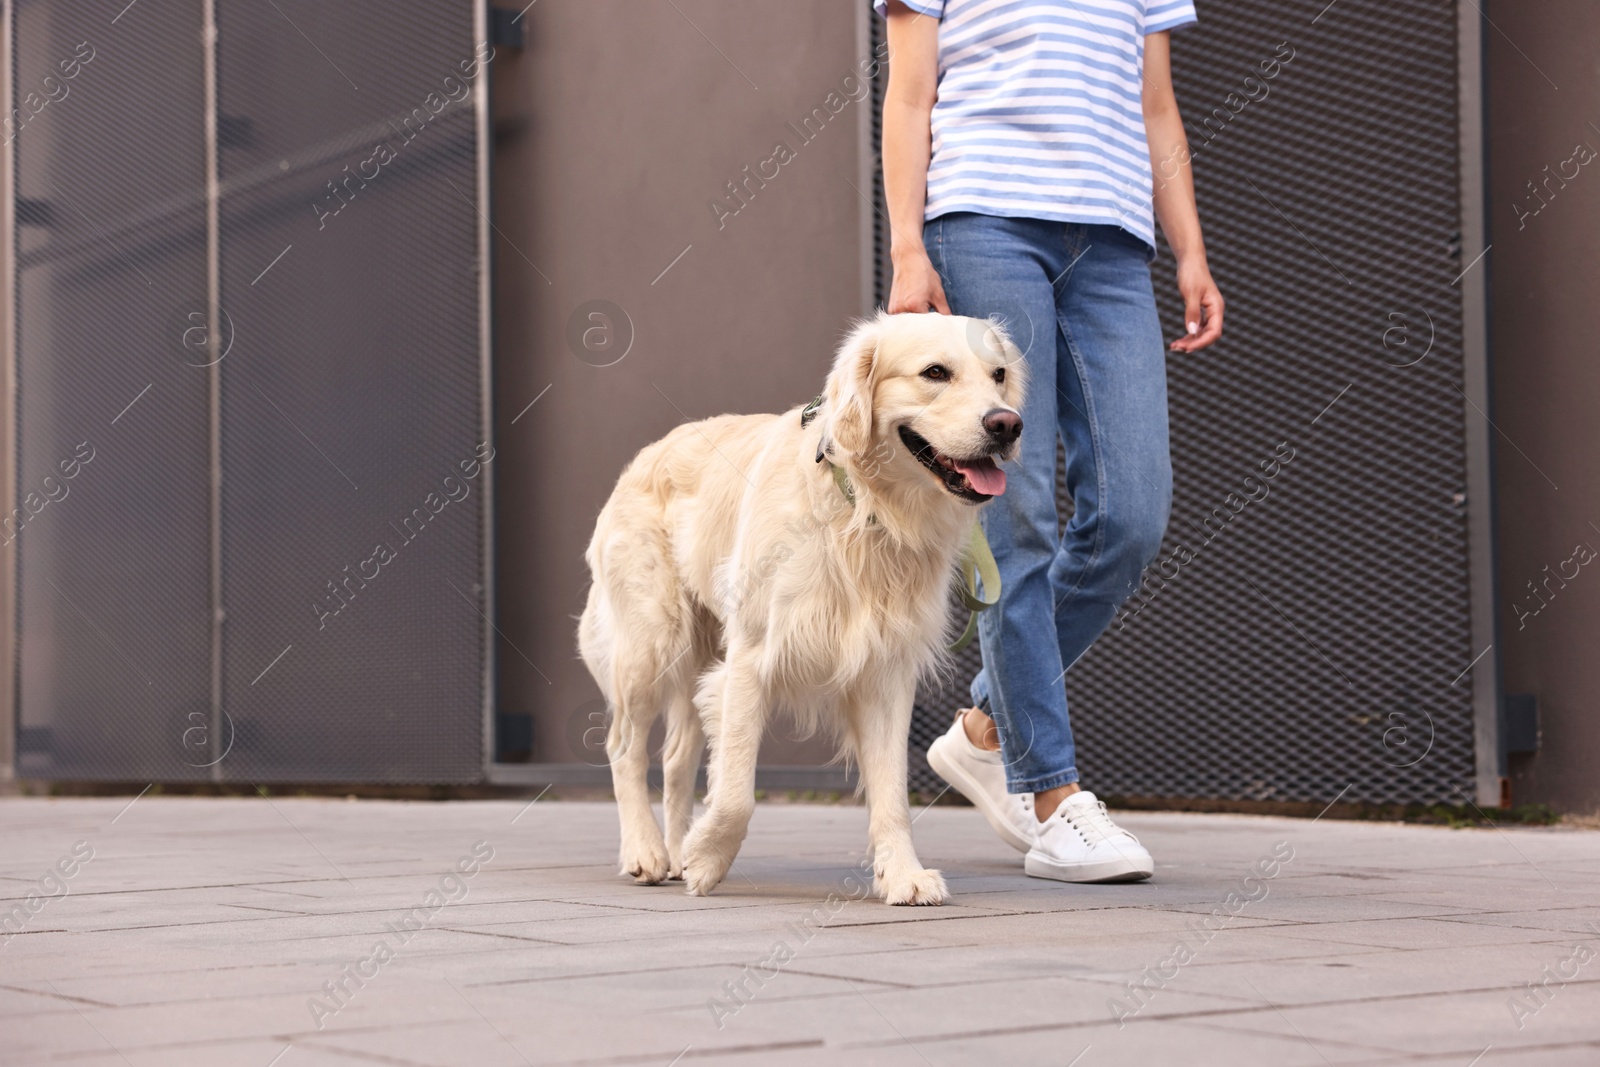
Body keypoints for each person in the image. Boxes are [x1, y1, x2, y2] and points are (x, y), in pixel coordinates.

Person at [877, 0, 1224, 882]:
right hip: (983, 225)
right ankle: (1052, 795)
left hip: (1111, 246)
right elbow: (910, 97)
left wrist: (1189, 247)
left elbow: (1155, 107)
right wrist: (909, 245)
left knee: (1132, 514)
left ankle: (987, 727)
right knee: (1015, 516)